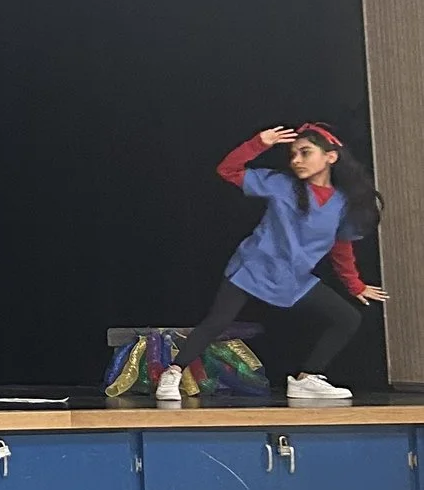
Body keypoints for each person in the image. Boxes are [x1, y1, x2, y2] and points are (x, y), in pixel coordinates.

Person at [158, 122, 387, 405]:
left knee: (347, 317)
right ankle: (173, 372)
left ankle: (307, 379)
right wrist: (259, 143)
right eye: (292, 155)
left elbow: (341, 246)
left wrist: (355, 285)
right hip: (254, 268)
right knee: (217, 321)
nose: (296, 160)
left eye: (305, 153)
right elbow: (228, 171)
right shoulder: (281, 185)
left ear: (331, 157)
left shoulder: (341, 203)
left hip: (293, 278)